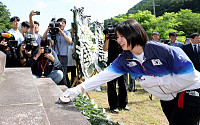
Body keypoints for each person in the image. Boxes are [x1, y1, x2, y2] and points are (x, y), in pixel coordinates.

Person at [60, 19, 200, 124]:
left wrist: (153, 81)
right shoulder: (124, 59)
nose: (118, 40)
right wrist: (76, 90)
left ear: (134, 34)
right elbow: (104, 76)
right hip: (167, 98)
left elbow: (189, 77)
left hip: (190, 92)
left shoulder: (166, 51)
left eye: (121, 37)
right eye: (117, 37)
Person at [100, 27, 128, 113]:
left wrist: (118, 41)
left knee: (122, 84)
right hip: (111, 64)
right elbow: (104, 49)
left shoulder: (122, 38)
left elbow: (126, 48)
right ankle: (113, 106)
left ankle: (123, 104)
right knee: (111, 85)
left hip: (122, 63)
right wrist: (108, 39)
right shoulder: (109, 38)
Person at [43, 18, 72, 87]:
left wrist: (62, 33)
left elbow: (69, 41)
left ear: (64, 25)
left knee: (63, 73)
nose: (60, 25)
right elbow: (44, 39)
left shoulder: (67, 33)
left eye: (62, 23)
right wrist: (48, 29)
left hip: (63, 56)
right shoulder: (53, 32)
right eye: (58, 23)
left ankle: (63, 87)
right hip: (54, 56)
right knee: (54, 72)